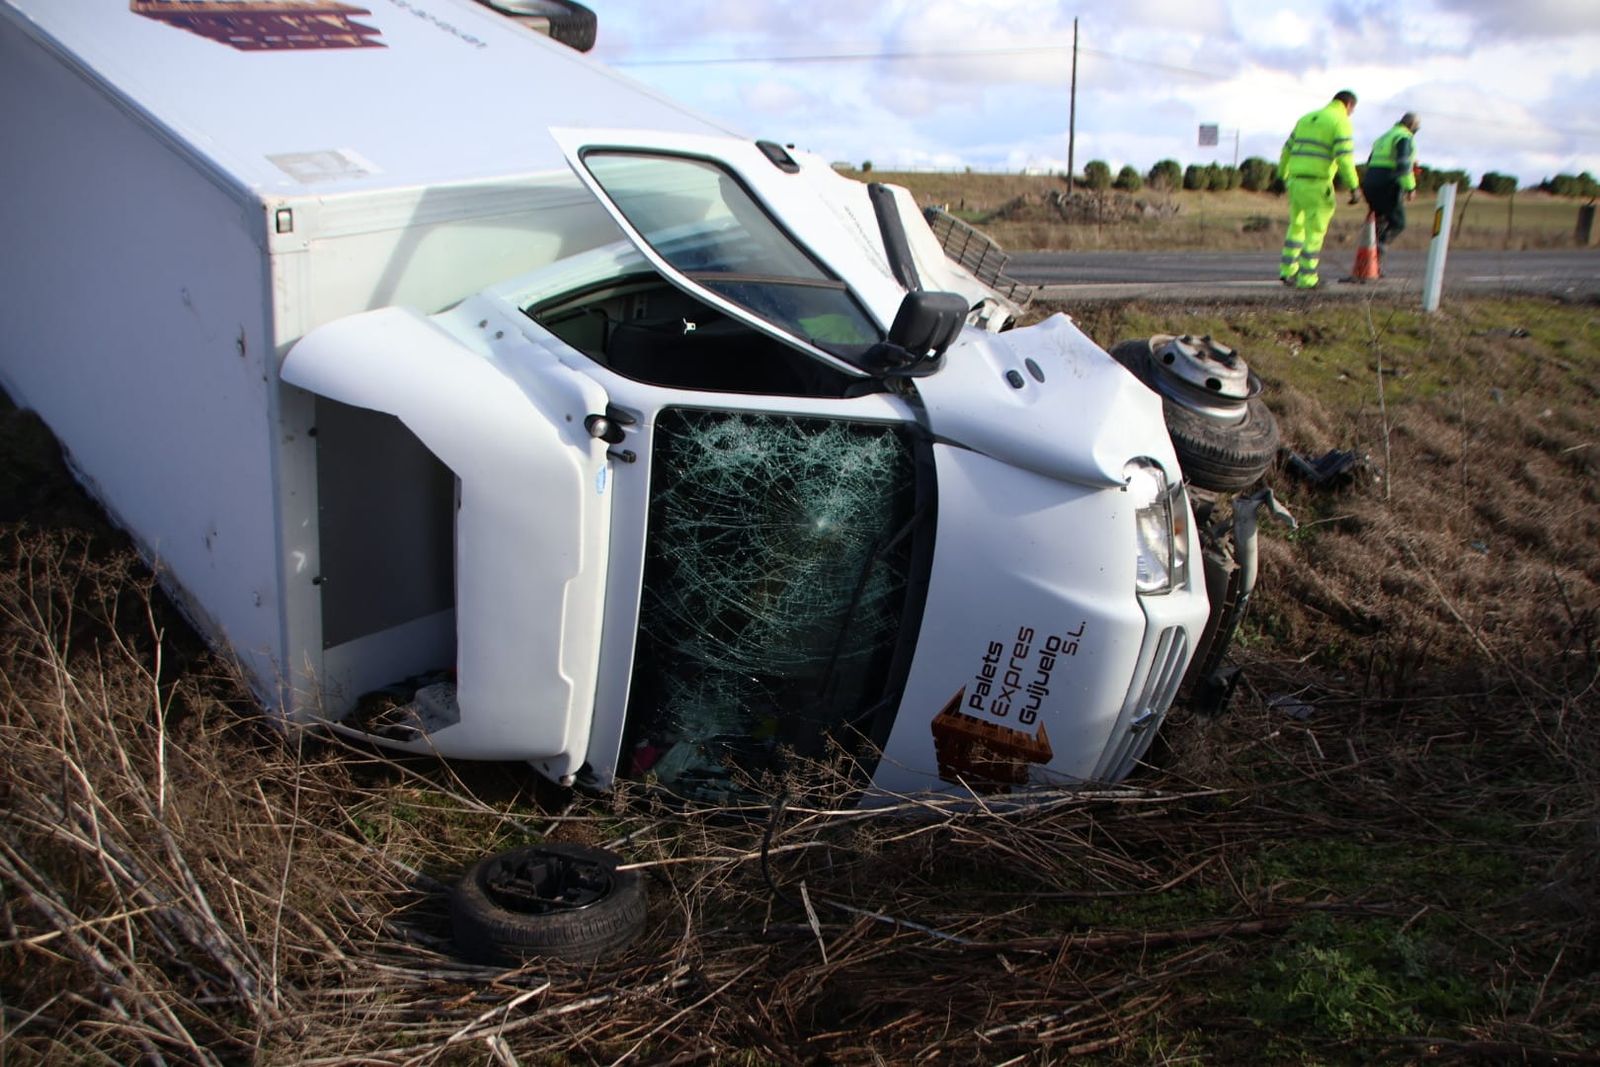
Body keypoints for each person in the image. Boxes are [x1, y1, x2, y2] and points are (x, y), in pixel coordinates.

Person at [1278, 90, 1361, 290]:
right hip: (1318, 184)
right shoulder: (1340, 122)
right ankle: (1307, 278)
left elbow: (1286, 150)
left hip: (1296, 183)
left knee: (1296, 227)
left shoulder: (1306, 119)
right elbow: (1345, 159)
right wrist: (1354, 187)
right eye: (1352, 110)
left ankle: (1288, 271)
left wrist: (1282, 176)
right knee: (1315, 232)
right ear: (1349, 105)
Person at [1360, 112, 1421, 270]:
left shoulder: (1384, 137)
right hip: (1388, 184)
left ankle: (1368, 264)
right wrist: (1410, 188)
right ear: (1413, 126)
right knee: (1398, 222)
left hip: (1370, 183)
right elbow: (1404, 166)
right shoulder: (1404, 138)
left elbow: (1370, 161)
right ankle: (1376, 257)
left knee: (1379, 222)